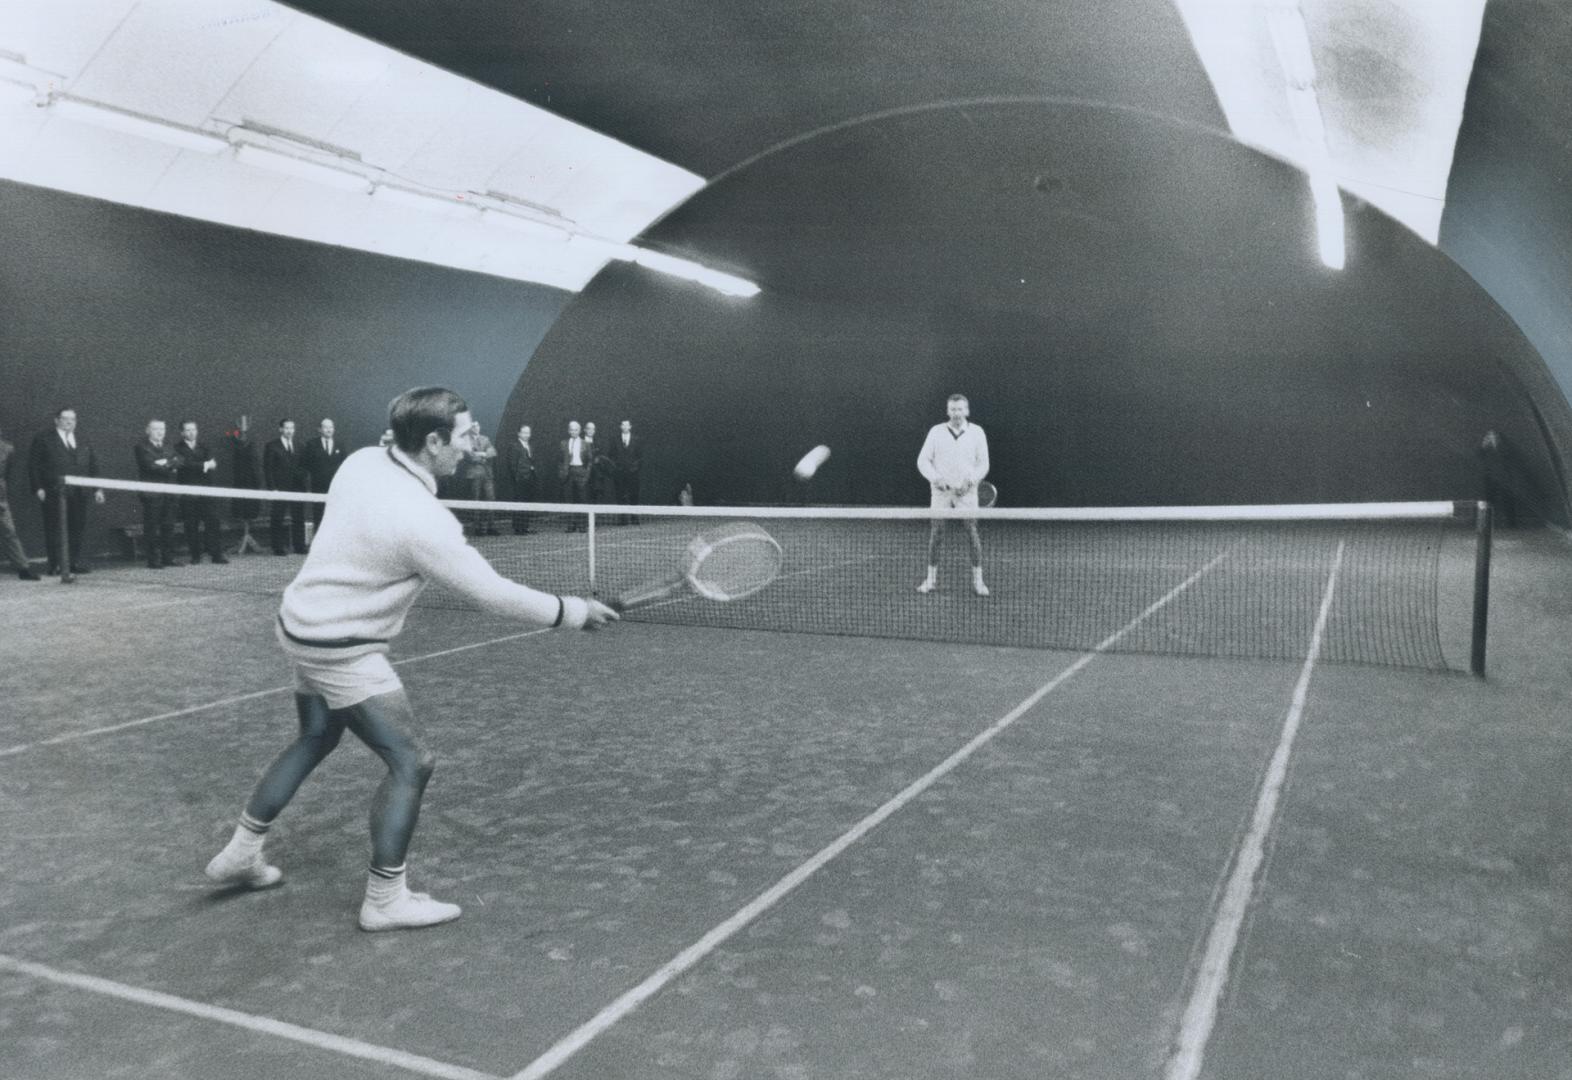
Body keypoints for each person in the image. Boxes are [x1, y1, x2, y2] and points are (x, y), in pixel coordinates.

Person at [203, 387, 618, 931]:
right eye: (465, 436)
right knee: (411, 761)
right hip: (342, 646)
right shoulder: (424, 521)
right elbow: (490, 593)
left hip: (297, 625)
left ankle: (240, 852)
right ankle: (384, 899)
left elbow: (386, 460)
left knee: (316, 736)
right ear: (432, 441)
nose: (473, 446)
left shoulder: (360, 462)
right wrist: (573, 611)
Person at [916, 393, 989, 596]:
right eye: (953, 409)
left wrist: (971, 481)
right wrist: (936, 479)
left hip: (967, 491)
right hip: (941, 492)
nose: (957, 413)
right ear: (948, 411)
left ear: (967, 411)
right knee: (937, 533)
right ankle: (930, 580)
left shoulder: (977, 432)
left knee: (972, 531)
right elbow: (922, 461)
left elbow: (984, 464)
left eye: (960, 409)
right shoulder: (936, 432)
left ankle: (978, 582)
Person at [28, 407, 104, 575]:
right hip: (54, 491)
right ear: (57, 420)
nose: (70, 422)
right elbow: (33, 465)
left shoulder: (83, 438)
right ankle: (55, 565)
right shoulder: (44, 438)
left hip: (80, 492)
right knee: (54, 528)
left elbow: (93, 464)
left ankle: (72, 563)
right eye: (66, 418)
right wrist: (38, 487)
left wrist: (97, 488)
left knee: (76, 527)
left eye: (73, 419)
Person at [172, 420, 229, 565]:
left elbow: (213, 464)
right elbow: (183, 465)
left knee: (213, 522)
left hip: (206, 491)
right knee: (191, 525)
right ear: (182, 433)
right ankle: (195, 556)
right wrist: (204, 465)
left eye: (194, 429)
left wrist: (203, 465)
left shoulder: (204, 446)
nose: (191, 432)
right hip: (188, 493)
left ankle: (216, 554)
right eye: (188, 430)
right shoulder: (176, 448)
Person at [132, 419, 180, 568]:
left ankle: (168, 558)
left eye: (162, 429)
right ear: (148, 430)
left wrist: (163, 463)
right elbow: (149, 466)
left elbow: (178, 461)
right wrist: (168, 464)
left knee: (168, 526)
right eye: (156, 429)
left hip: (169, 492)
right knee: (152, 527)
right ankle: (153, 560)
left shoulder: (169, 446)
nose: (160, 432)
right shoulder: (141, 447)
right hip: (152, 494)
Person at [0, 424, 41, 579]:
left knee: (10, 533)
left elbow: (8, 475)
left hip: (0, 499)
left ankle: (23, 569)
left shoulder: (8, 449)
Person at [263, 419, 308, 555]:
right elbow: (267, 468)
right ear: (280, 429)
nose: (289, 431)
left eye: (292, 428)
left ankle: (299, 546)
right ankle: (278, 547)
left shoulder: (300, 445)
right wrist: (272, 488)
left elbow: (304, 467)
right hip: (280, 488)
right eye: (286, 428)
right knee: (278, 517)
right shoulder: (272, 446)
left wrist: (303, 482)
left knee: (298, 517)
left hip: (297, 487)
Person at [300, 418, 347, 531]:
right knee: (319, 515)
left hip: (335, 487)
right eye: (325, 427)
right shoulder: (311, 444)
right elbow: (305, 464)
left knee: (335, 514)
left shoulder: (340, 445)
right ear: (320, 429)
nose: (328, 430)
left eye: (331, 427)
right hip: (318, 486)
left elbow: (344, 465)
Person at [456, 421, 499, 535]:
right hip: (474, 475)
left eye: (478, 425)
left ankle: (491, 527)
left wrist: (482, 454)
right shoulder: (466, 441)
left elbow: (493, 452)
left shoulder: (485, 439)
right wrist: (483, 455)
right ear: (470, 428)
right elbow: (471, 457)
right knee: (476, 501)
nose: (476, 428)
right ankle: (478, 528)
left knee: (491, 499)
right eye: (474, 426)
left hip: (487, 475)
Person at [502, 423, 536, 534]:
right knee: (519, 503)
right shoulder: (514, 446)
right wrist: (517, 478)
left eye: (528, 432)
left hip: (530, 479)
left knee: (527, 503)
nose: (526, 435)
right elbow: (512, 464)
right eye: (524, 432)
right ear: (519, 433)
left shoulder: (530, 446)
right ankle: (518, 527)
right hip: (520, 480)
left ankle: (525, 526)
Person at [608, 419, 643, 525]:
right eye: (623, 425)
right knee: (620, 495)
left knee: (634, 495)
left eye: (627, 425)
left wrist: (634, 468)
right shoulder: (615, 440)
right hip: (619, 473)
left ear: (630, 427)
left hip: (633, 473)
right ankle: (623, 519)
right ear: (620, 427)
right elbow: (611, 455)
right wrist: (616, 467)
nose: (625, 427)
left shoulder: (637, 439)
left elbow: (640, 457)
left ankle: (634, 518)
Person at [558, 420, 590, 529]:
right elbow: (560, 460)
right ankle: (571, 525)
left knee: (582, 499)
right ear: (568, 431)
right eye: (571, 430)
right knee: (569, 499)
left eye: (576, 430)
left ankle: (583, 525)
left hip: (580, 471)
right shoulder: (563, 443)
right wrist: (562, 472)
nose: (574, 432)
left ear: (580, 431)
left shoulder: (585, 444)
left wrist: (586, 474)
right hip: (568, 473)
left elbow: (590, 461)